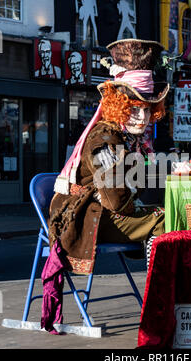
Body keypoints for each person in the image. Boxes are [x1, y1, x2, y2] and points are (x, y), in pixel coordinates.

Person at [48, 38, 169, 275]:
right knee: (166, 220)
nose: (142, 117)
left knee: (165, 213)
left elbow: (128, 190)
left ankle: (163, 282)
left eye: (146, 110)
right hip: (84, 217)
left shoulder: (130, 139)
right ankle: (160, 286)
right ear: (119, 107)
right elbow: (116, 200)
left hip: (104, 210)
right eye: (134, 109)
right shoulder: (105, 139)